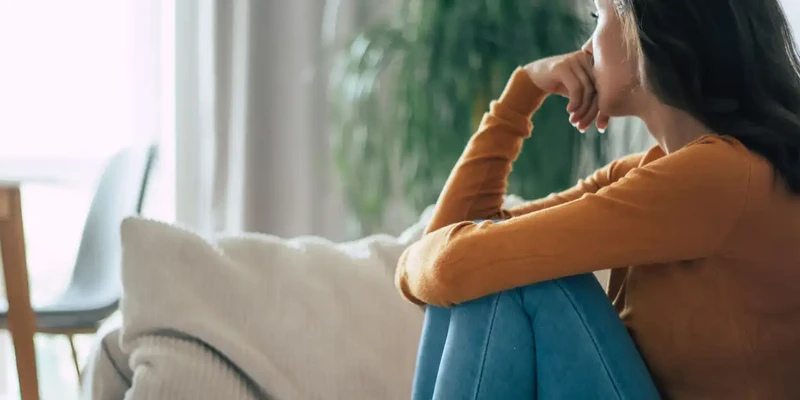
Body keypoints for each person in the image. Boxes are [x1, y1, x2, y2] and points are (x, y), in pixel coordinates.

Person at [395, 0, 800, 399]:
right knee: (501, 266)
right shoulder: (651, 173)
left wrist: (418, 260)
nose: (586, 48)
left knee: (519, 275)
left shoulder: (718, 178)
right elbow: (453, 255)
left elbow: (454, 263)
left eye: (598, 16)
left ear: (646, 29)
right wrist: (522, 92)